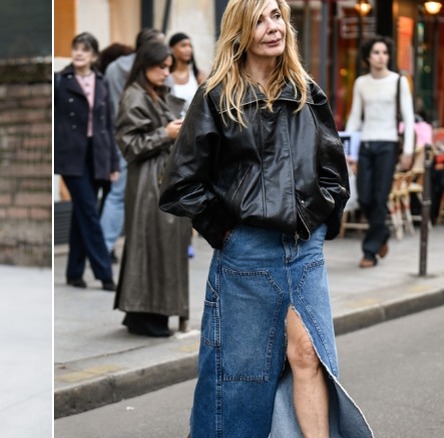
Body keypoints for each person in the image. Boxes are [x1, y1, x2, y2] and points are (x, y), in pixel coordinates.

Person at [159, 0, 373, 436]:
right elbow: (181, 183)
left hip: (304, 252)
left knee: (308, 355)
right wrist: (227, 233)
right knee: (240, 379)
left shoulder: (305, 90)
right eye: (259, 20)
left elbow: (333, 171)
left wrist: (319, 221)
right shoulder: (216, 95)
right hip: (247, 255)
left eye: (276, 16)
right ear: (240, 31)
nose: (272, 27)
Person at [113, 41, 190, 337]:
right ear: (145, 65)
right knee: (149, 244)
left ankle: (146, 314)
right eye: (160, 66)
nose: (166, 72)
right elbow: (128, 144)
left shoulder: (156, 93)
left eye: (168, 67)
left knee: (160, 245)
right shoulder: (134, 95)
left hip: (161, 176)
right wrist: (165, 133)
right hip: (147, 179)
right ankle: (146, 316)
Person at [54, 32, 119, 291]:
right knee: (90, 212)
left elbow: (108, 125)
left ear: (93, 56)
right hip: (72, 156)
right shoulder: (60, 81)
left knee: (83, 212)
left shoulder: (102, 82)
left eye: (85, 49)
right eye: (76, 48)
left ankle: (74, 272)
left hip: (98, 154)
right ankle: (105, 274)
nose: (79, 53)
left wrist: (113, 164)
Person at [345, 36, 414, 268]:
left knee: (380, 197)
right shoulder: (361, 83)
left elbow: (408, 119)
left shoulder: (398, 81)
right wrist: (348, 150)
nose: (381, 57)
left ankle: (370, 251)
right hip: (365, 145)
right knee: (364, 197)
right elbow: (355, 118)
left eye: (385, 52)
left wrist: (408, 151)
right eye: (376, 52)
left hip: (388, 145)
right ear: (368, 56)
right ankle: (382, 233)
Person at [100, 28, 166, 264]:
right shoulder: (147, 74)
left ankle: (106, 247)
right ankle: (118, 247)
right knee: (133, 194)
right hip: (145, 139)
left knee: (118, 195)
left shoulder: (114, 67)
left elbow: (107, 105)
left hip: (118, 135)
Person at [167, 32, 206, 118]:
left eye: (190, 46)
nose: (188, 49)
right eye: (183, 45)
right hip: (174, 122)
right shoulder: (166, 75)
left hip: (195, 121)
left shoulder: (198, 75)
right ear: (172, 49)